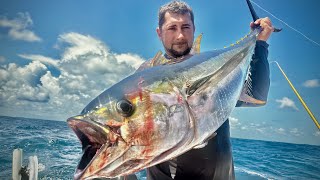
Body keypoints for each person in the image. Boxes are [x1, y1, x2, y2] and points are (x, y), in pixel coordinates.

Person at [135, 1, 273, 180]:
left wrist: (260, 44)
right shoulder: (145, 74)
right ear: (159, 33)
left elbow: (256, 97)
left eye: (186, 27)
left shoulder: (213, 70)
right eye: (172, 28)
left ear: (193, 28)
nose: (180, 36)